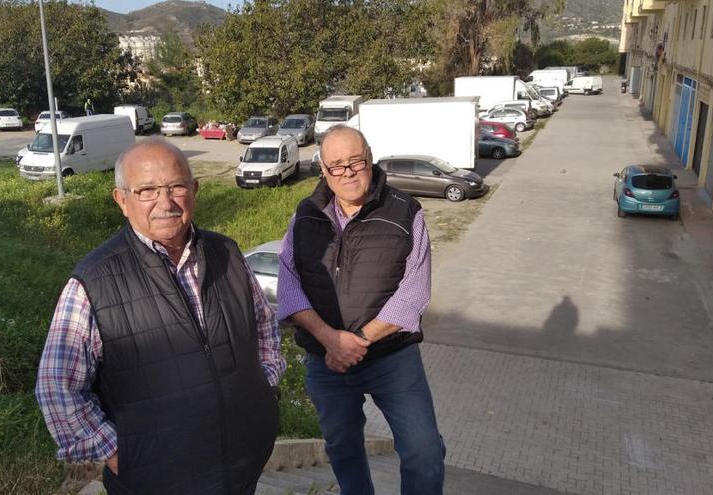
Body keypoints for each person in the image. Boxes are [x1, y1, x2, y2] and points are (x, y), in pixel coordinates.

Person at [36, 139, 284, 495]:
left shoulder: (226, 252)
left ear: (194, 190)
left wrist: (260, 393)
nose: (165, 203)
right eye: (146, 190)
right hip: (155, 481)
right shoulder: (95, 280)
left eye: (176, 187)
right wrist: (120, 453)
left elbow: (265, 332)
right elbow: (57, 388)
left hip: (241, 468)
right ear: (122, 200)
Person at [277, 126, 445, 495]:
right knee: (342, 447)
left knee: (424, 451)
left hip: (392, 359)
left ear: (369, 159)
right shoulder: (305, 215)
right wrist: (329, 340)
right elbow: (288, 286)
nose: (348, 171)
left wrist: (356, 342)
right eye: (336, 165)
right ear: (323, 169)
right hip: (325, 361)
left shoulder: (405, 211)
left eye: (356, 161)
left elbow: (414, 293)